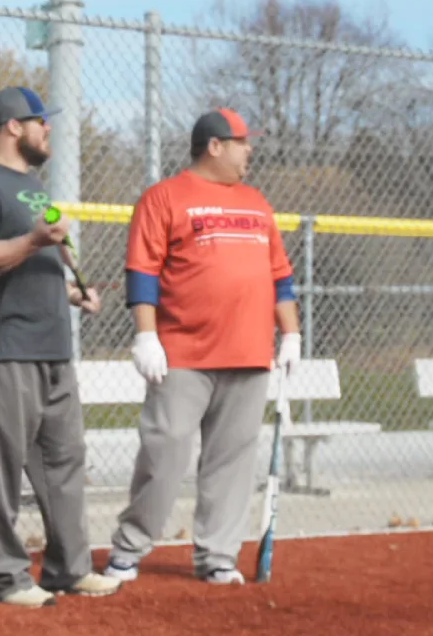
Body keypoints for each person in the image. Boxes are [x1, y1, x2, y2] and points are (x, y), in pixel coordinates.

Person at [100, 108, 302, 587]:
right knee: (164, 452)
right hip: (183, 353)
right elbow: (143, 271)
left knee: (232, 461)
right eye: (242, 141)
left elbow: (280, 276)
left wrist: (291, 334)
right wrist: (146, 335)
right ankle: (129, 547)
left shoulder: (256, 202)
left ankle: (218, 556)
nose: (249, 150)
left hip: (249, 353)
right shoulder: (164, 197)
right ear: (214, 145)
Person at [0, 86, 123, 608]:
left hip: (53, 348)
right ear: (13, 126)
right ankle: (6, 578)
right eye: (42, 120)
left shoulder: (34, 187)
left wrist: (73, 293)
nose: (49, 129)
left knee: (65, 462)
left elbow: (34, 267)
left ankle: (70, 568)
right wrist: (33, 241)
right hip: (4, 348)